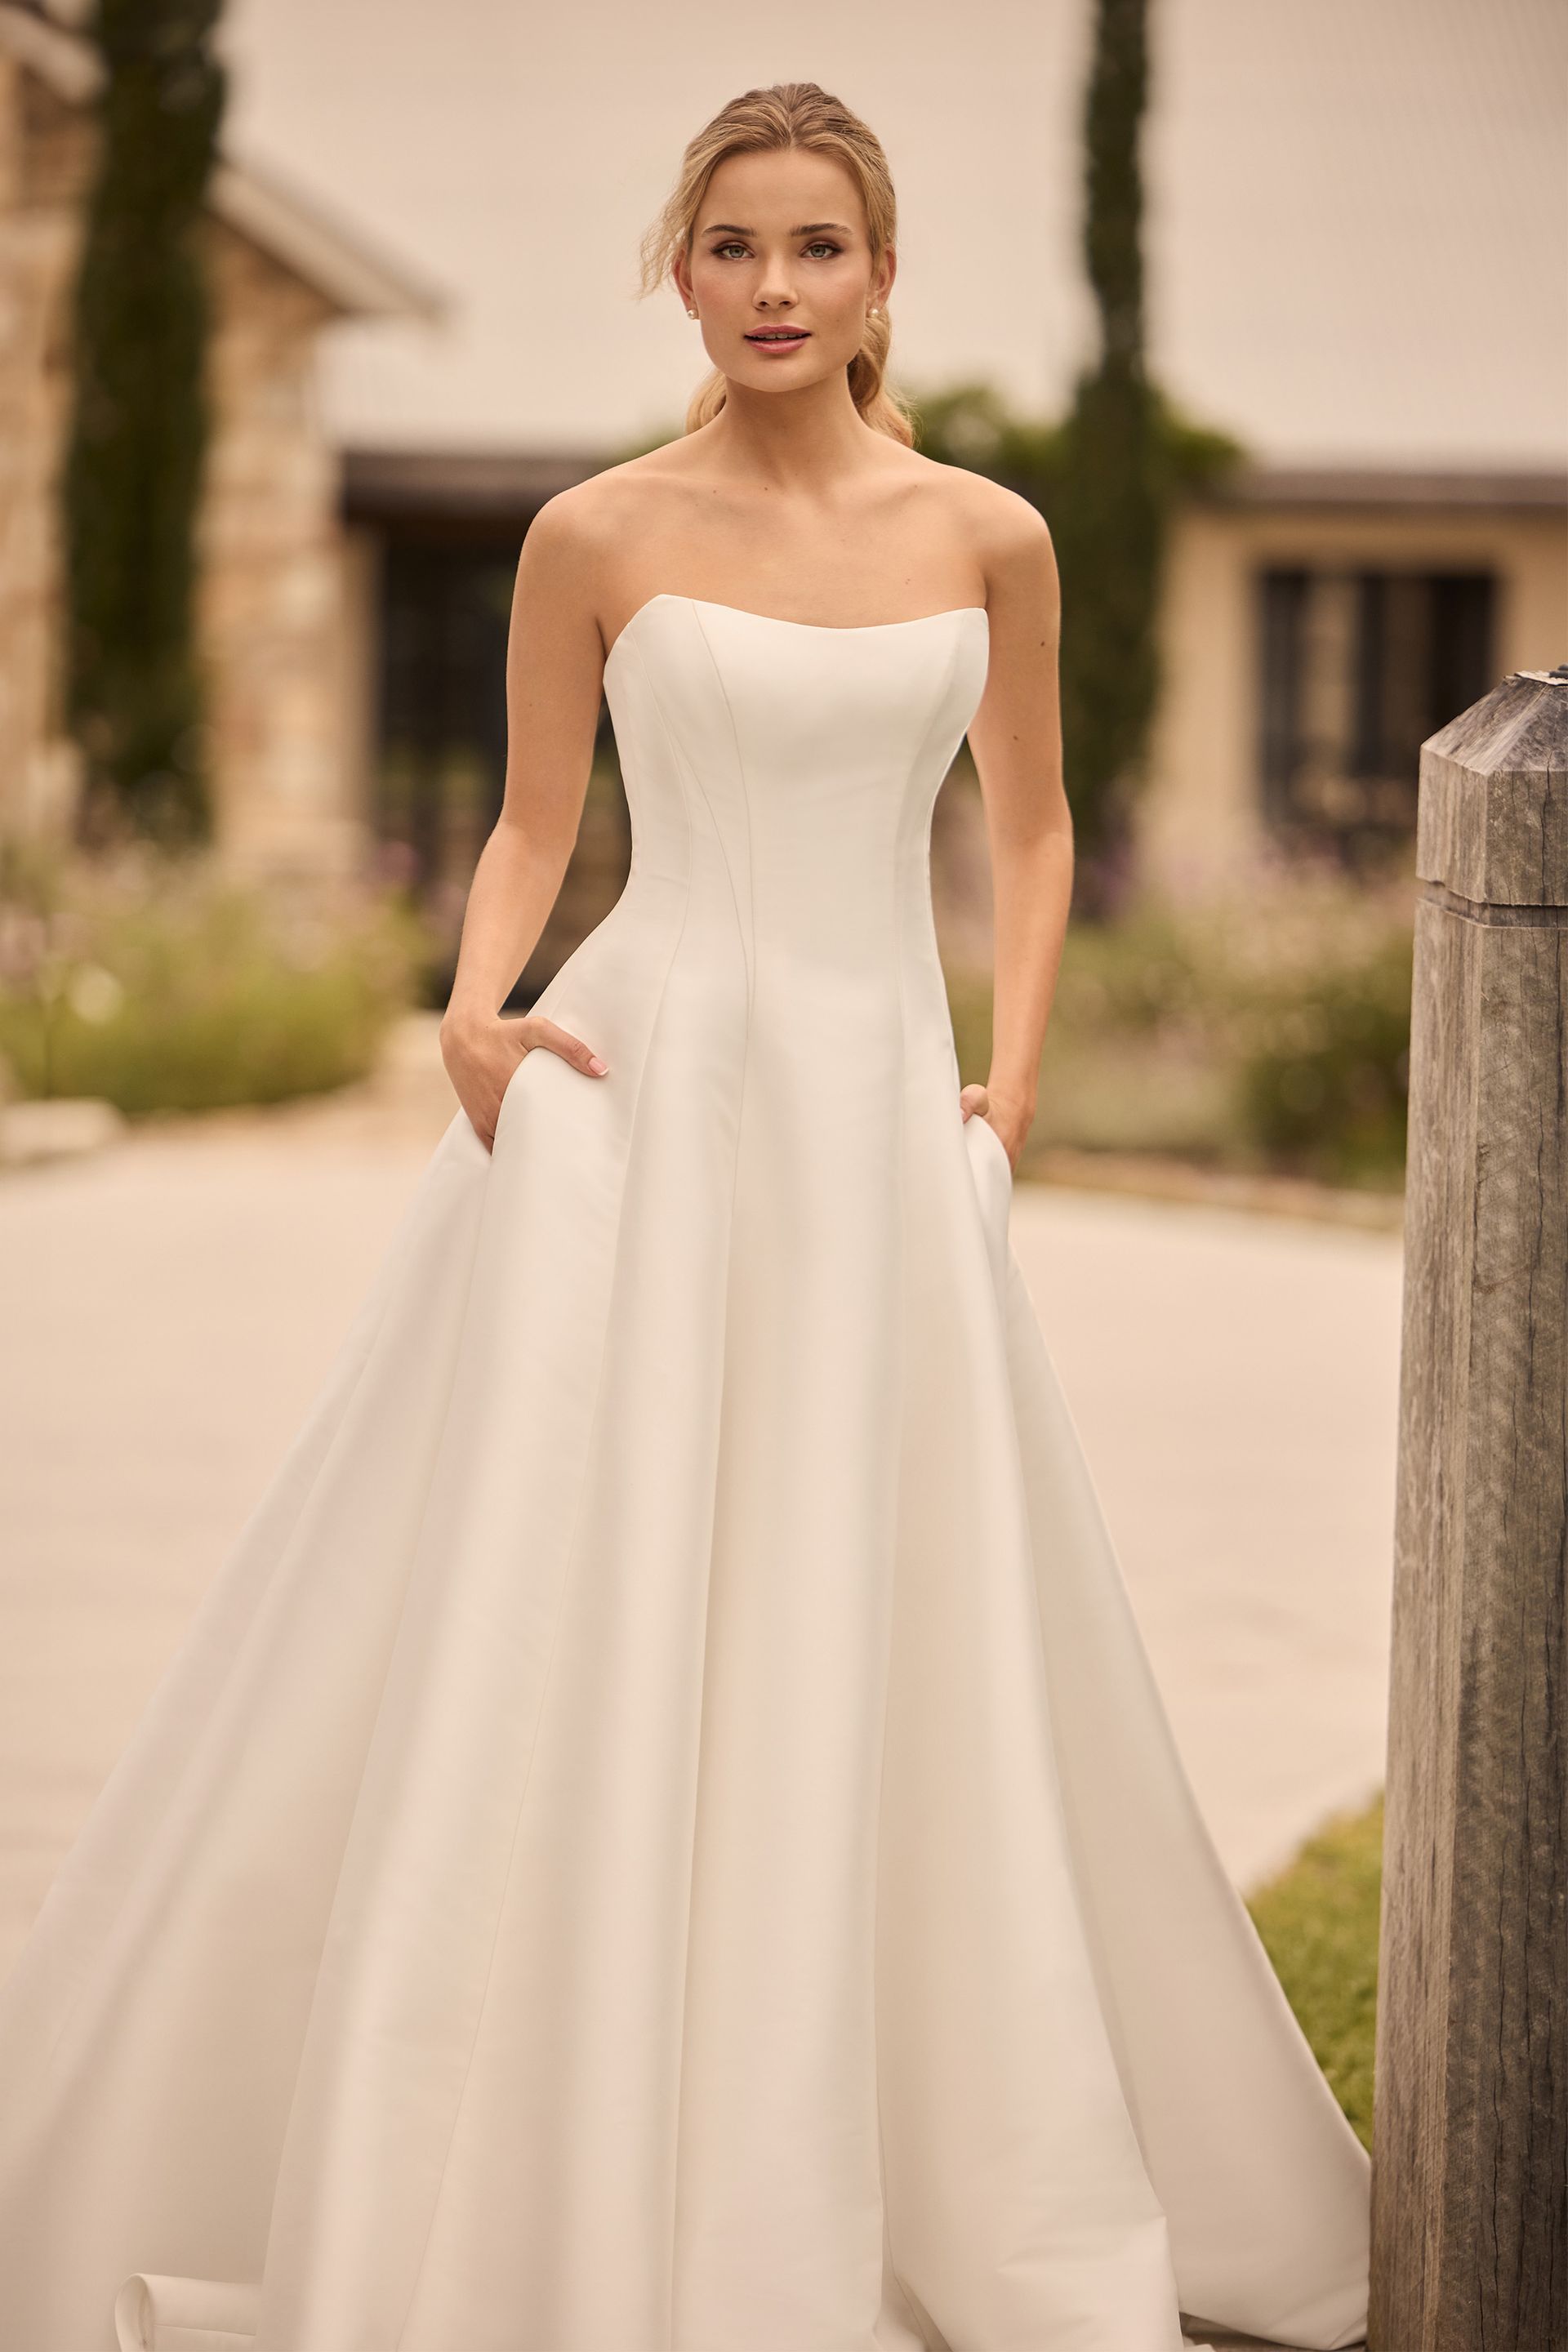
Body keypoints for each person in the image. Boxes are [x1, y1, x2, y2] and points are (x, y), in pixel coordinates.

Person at [0, 79, 1370, 2352]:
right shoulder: (592, 534)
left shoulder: (993, 538)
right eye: (731, 244)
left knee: (880, 1597)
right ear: (680, 265)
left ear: (879, 278)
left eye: (813, 247)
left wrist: (1009, 1081)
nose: (768, 286)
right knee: (576, 1594)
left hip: (873, 1121)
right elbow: (541, 825)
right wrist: (468, 1005)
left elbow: (1029, 834)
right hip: (645, 1085)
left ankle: (863, 2157)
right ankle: (536, 2151)